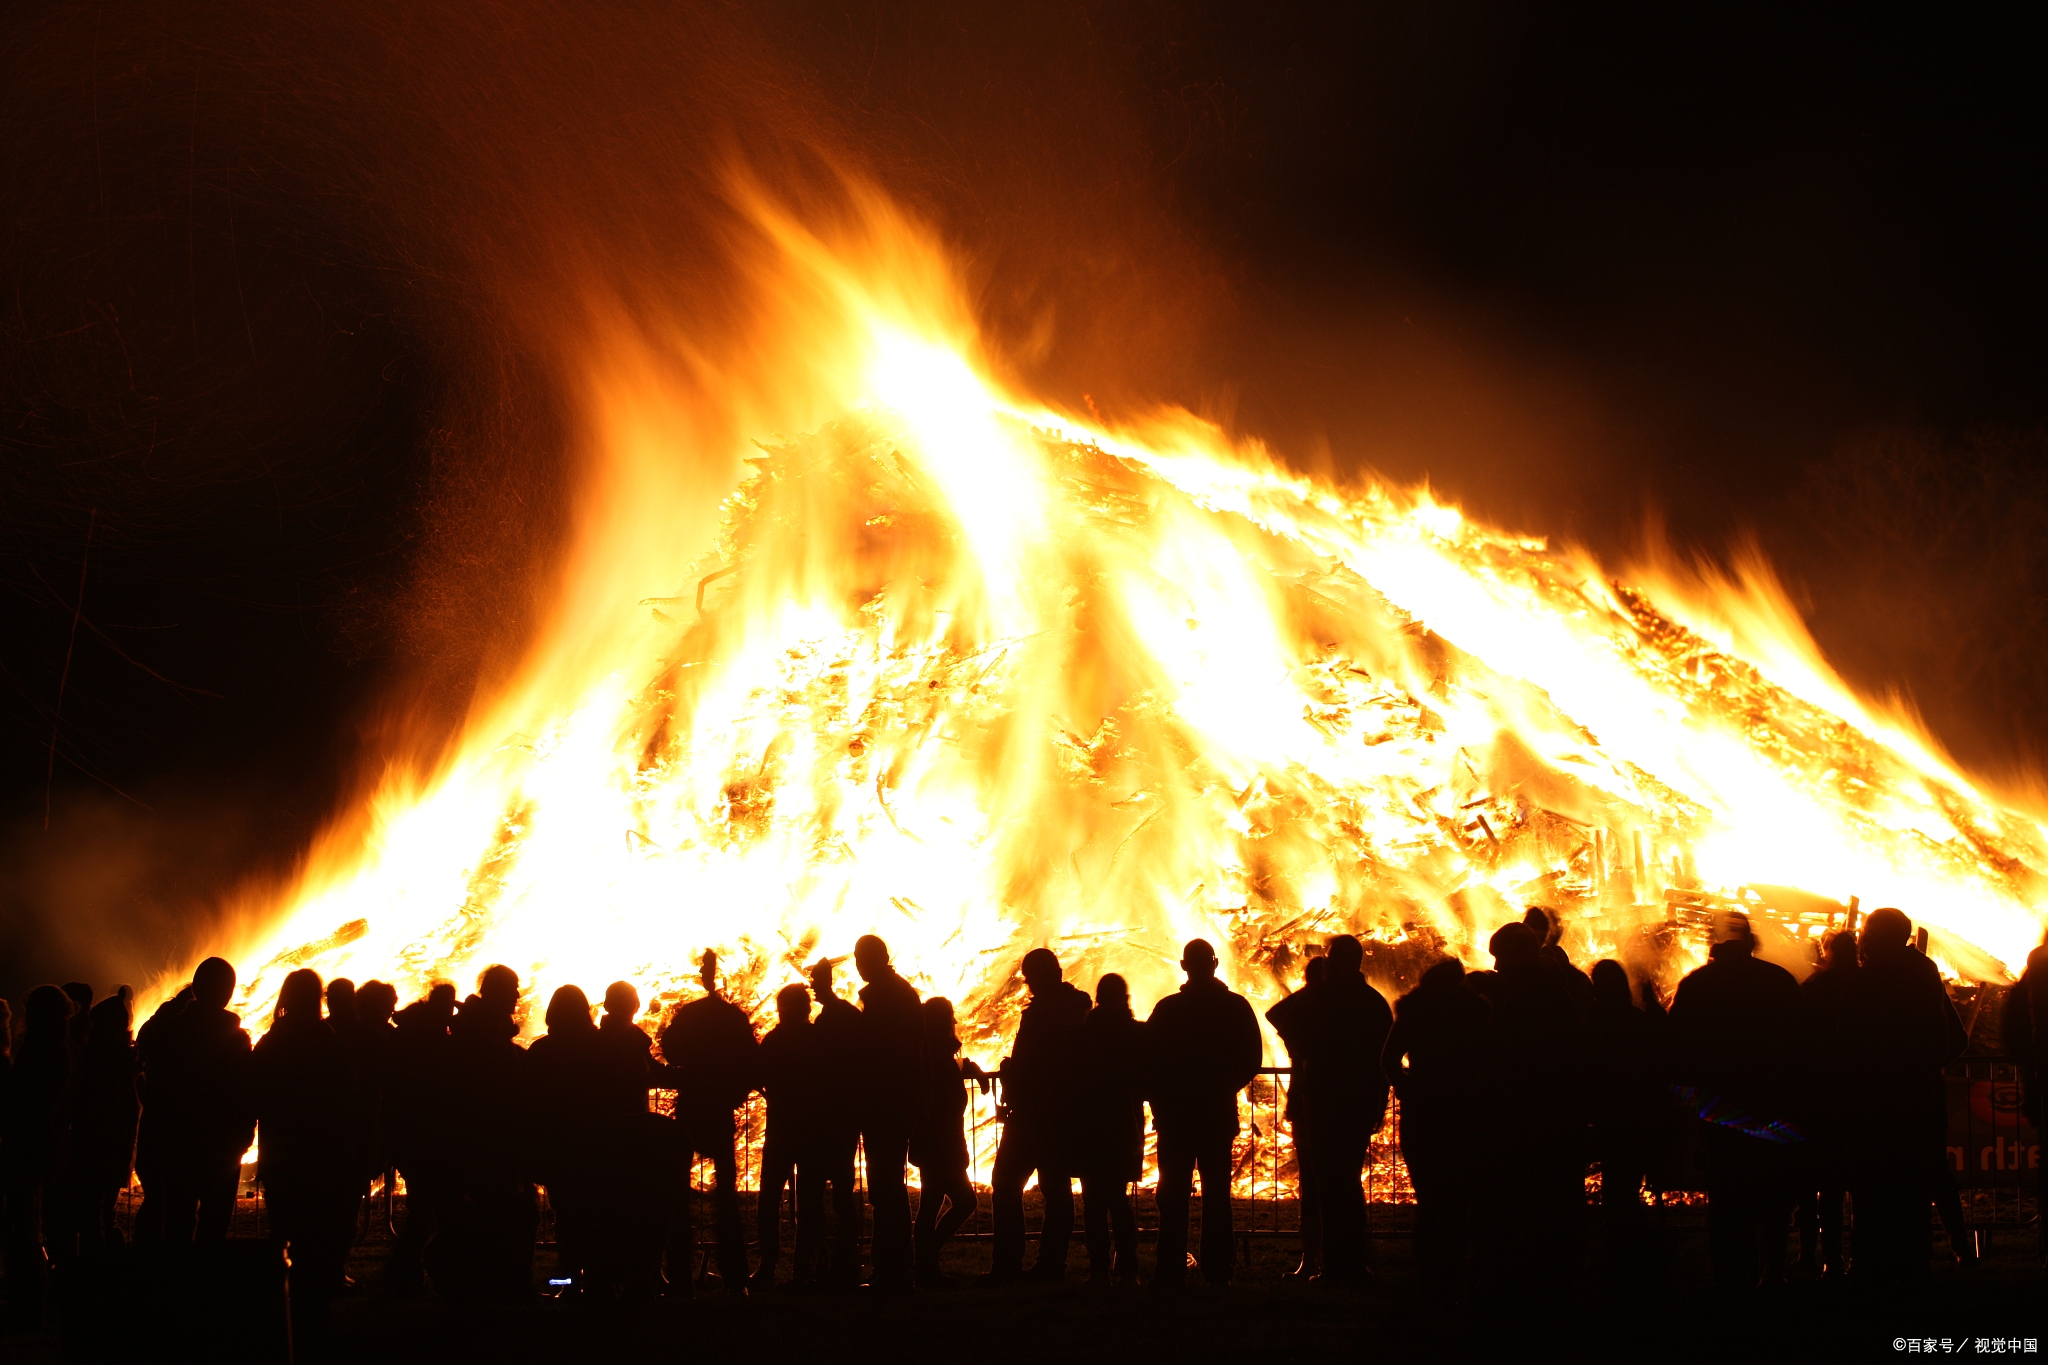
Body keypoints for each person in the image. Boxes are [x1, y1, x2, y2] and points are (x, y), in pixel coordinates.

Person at [1669, 912, 1809, 1293]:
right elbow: (1803, 1043)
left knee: (1728, 1194)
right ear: (1750, 942)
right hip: (1773, 1103)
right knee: (1773, 1192)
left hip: (1722, 1108)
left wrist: (1689, 1096)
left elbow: (1678, 1046)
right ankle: (1772, 1270)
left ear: (1714, 944)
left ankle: (1730, 1274)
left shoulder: (1698, 984)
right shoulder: (1779, 981)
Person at [1839, 907, 1967, 1284]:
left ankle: (1869, 1262)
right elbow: (1955, 1038)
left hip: (1875, 1100)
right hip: (1921, 1097)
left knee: (1872, 1183)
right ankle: (1914, 1262)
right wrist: (1928, 1070)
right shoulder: (1924, 973)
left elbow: (1848, 1042)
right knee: (1916, 1183)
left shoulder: (1865, 980)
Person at [1266, 934, 1392, 1284]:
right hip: (1358, 1102)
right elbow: (1383, 1061)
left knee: (1327, 1185)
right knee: (1348, 1182)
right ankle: (1354, 1263)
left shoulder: (1318, 998)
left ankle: (1336, 1264)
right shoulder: (1374, 1002)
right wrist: (1379, 1104)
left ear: (1336, 963)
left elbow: (1282, 1019)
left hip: (1323, 1101)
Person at [1473, 920, 1587, 1301]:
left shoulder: (1529, 999)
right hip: (1552, 1117)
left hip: (1529, 1119)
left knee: (1528, 1202)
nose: (1496, 966)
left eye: (1501, 959)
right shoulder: (1555, 994)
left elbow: (1505, 1055)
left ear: (1517, 959)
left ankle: (1530, 1281)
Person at [251, 969, 363, 1343]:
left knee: (285, 1233)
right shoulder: (329, 1042)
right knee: (318, 1236)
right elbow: (347, 1101)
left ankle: (283, 1312)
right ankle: (312, 1316)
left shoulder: (272, 1042)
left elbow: (256, 1096)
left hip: (283, 1156)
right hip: (323, 1156)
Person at [1145, 938, 1262, 1287]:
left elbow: (1149, 1061)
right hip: (1215, 1115)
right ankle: (1218, 1268)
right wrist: (1223, 1087)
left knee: (1172, 1194)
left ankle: (1170, 1269)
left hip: (1177, 1117)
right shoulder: (1235, 1007)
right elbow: (1251, 1059)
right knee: (1216, 1194)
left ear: (1184, 966)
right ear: (1214, 963)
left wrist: (1162, 1100)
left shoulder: (1168, 1010)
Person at [1384, 957, 1493, 1295]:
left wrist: (1406, 1087)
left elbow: (1388, 1057)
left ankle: (1429, 1271)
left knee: (1430, 1196)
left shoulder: (1413, 1010)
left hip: (1424, 1112)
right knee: (1459, 1195)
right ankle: (1456, 1267)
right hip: (1464, 1110)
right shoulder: (1475, 1010)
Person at [134, 956, 254, 1256]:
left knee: (177, 1223)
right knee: (214, 1227)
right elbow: (244, 1093)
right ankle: (205, 1279)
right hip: (221, 1146)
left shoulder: (170, 1033)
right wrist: (242, 1137)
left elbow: (153, 1077)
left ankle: (175, 1279)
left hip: (178, 1142)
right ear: (228, 993)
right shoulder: (236, 1039)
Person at [434, 965, 537, 1301]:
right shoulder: (484, 1038)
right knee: (497, 1212)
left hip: (484, 1139)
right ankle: (494, 1286)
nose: (517, 995)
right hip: (486, 1140)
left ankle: (482, 1285)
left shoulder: (477, 1031)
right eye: (512, 988)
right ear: (497, 992)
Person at [990, 948, 1091, 1282]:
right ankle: (1051, 1264)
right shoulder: (1077, 1009)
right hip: (1062, 1113)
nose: (1028, 984)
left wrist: (1010, 1070)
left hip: (1033, 1114)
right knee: (1056, 1188)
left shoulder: (1042, 1014)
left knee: (1006, 1184)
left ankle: (1008, 1265)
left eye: (1030, 977)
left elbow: (1033, 1063)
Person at [659, 950, 756, 1297]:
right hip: (718, 1110)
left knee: (679, 1198)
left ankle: (680, 1276)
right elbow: (750, 1061)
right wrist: (735, 1095)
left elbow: (670, 1048)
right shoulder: (732, 1017)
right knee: (726, 1198)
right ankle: (735, 1277)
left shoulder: (691, 1014)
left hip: (692, 1107)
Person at [1583, 960, 1665, 1280]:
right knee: (1625, 1181)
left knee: (1617, 1183)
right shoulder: (1635, 1019)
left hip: (1610, 1112)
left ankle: (1622, 1250)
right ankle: (1631, 1246)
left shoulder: (1593, 1019)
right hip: (1636, 1112)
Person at [852, 934, 922, 1290]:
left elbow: (879, 1053)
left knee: (886, 1188)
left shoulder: (888, 998)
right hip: (892, 1102)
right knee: (887, 1187)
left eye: (861, 960)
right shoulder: (897, 994)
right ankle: (892, 1267)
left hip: (886, 1104)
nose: (858, 967)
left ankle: (893, 1269)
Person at [2, 986, 74, 1326]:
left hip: (28, 1145)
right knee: (28, 1220)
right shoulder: (59, 1048)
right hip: (42, 1144)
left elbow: (23, 1101)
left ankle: (29, 1298)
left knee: (23, 1224)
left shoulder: (39, 1051)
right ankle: (33, 1293)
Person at [527, 984, 606, 1293]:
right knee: (597, 1216)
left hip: (559, 1149)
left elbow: (527, 1102)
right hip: (598, 1146)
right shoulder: (604, 1048)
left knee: (568, 1218)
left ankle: (572, 1281)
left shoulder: (542, 1051)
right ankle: (598, 1284)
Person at [385, 982, 456, 1292]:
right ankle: (408, 1272)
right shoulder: (430, 1040)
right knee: (429, 1209)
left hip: (409, 1133)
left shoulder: (410, 1033)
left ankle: (406, 1272)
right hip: (424, 1134)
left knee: (423, 1208)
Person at [911, 996, 985, 1286]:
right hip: (941, 1144)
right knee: (963, 1202)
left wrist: (971, 1067)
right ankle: (926, 1261)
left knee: (931, 1204)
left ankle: (925, 1264)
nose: (954, 1021)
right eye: (950, 1016)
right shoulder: (936, 1058)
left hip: (937, 1143)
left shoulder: (933, 1054)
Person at [1797, 929, 1859, 1277]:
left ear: (1828, 951)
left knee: (1809, 1184)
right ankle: (1844, 1258)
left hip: (1815, 1096)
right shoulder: (1865, 985)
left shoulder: (1816, 986)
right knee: (1843, 1186)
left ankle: (1809, 1255)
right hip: (1854, 1097)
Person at [1076, 973, 1145, 1287]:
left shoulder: (1083, 1035)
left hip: (1089, 1126)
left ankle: (1099, 1270)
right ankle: (1129, 1270)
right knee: (1118, 1201)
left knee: (1093, 1203)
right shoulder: (1135, 1034)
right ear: (1124, 998)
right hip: (1122, 1127)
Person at [595, 980, 664, 1293]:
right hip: (628, 1129)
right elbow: (652, 1073)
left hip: (609, 1128)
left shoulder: (601, 1040)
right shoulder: (627, 1041)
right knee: (631, 1204)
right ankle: (633, 1275)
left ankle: (608, 1276)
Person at [753, 982, 823, 1291]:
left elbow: (758, 1075)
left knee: (770, 1198)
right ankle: (802, 1267)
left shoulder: (774, 1040)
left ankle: (769, 1265)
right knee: (809, 1200)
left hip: (783, 1129)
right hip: (809, 1129)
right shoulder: (816, 1039)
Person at [806, 959, 865, 1287]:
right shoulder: (846, 1015)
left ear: (825, 981)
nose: (812, 986)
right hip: (844, 1115)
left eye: (815, 980)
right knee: (842, 1193)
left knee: (828, 1194)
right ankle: (843, 1261)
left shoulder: (831, 1019)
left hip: (830, 1117)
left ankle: (833, 1263)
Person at [71, 987, 142, 1261]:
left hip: (95, 1143)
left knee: (91, 1213)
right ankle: (107, 1265)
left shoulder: (94, 1059)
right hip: (116, 1145)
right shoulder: (127, 1060)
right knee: (103, 1213)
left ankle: (94, 1267)